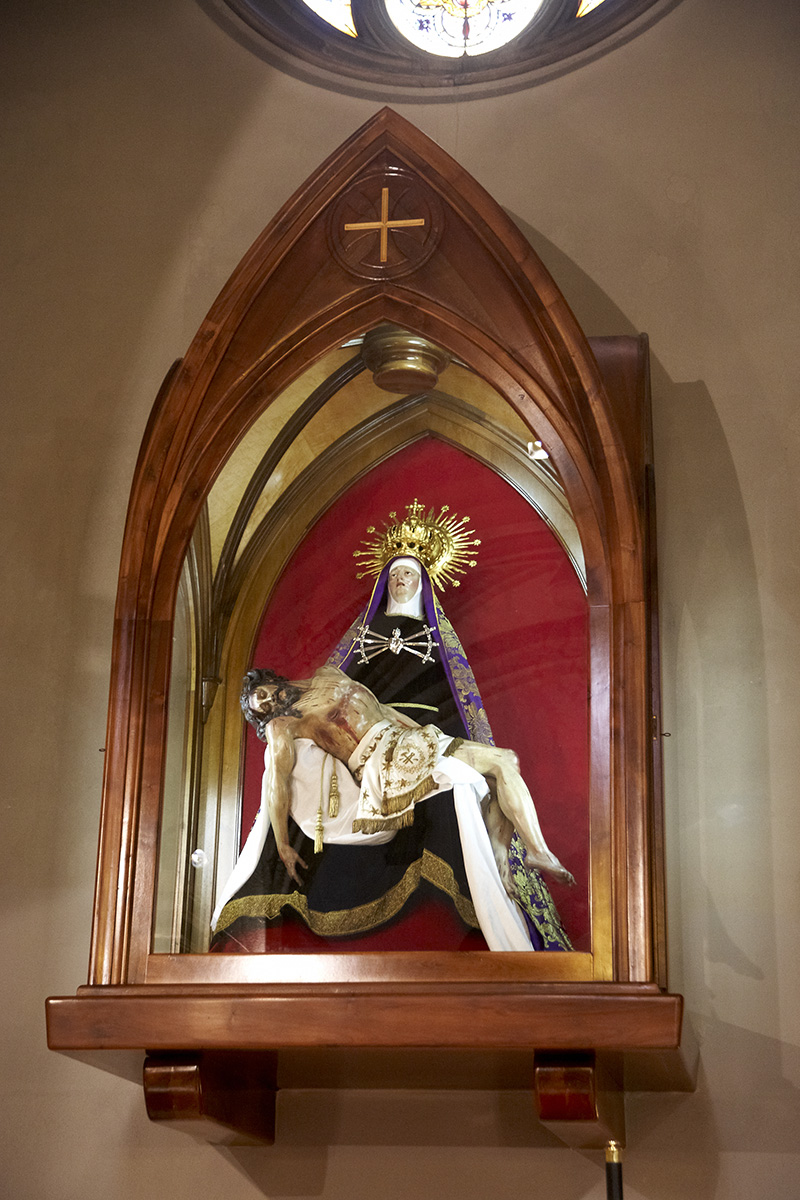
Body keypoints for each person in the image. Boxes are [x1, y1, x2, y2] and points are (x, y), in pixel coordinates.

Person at [237, 664, 573, 951]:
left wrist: (427, 735)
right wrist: (283, 843)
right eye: (262, 707)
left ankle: (509, 861)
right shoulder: (284, 724)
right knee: (491, 767)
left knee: (504, 764)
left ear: (272, 681)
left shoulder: (327, 673)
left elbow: (384, 710)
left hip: (407, 740)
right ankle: (536, 852)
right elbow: (277, 783)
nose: (268, 702)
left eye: (263, 694)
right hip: (380, 762)